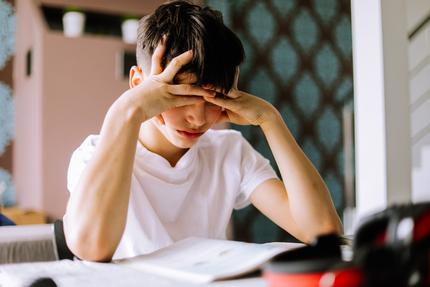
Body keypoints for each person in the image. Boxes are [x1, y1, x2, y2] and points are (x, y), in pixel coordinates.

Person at [63, 0, 342, 262]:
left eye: (213, 99)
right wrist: (125, 112)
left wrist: (271, 120)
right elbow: (92, 248)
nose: (198, 118)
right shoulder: (93, 155)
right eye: (180, 96)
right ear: (139, 84)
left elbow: (323, 232)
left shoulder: (228, 151)